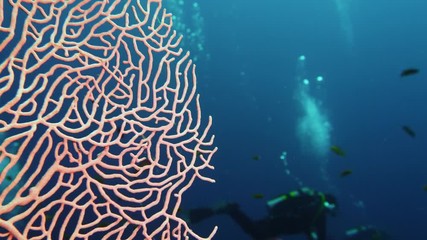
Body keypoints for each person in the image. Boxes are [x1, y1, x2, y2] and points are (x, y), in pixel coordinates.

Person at [185, 187, 338, 240]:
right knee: (253, 231)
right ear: (329, 205)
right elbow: (319, 235)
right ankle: (231, 209)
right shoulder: (318, 211)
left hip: (273, 224)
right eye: (332, 210)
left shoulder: (311, 205)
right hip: (273, 227)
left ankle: (230, 209)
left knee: (251, 229)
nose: (330, 214)